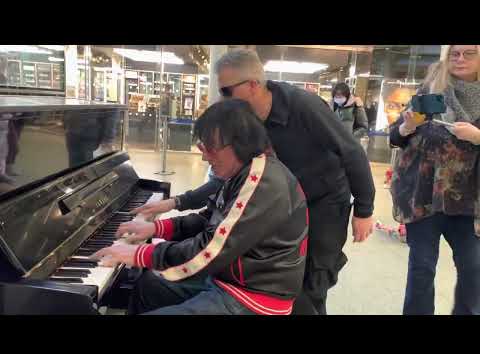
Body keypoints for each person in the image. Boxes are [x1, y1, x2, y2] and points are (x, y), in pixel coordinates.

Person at [132, 49, 376, 315]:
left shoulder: (303, 106)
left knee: (312, 285)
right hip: (280, 205)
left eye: (226, 91)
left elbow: (351, 151)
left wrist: (364, 209)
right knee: (279, 276)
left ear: (252, 85)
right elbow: (225, 180)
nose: (221, 98)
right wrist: (176, 202)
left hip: (323, 204)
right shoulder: (245, 124)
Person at [92, 99, 308, 315]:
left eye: (209, 148)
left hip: (254, 296)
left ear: (238, 143)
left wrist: (141, 253)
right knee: (149, 285)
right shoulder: (243, 171)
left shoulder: (262, 182)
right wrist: (157, 228)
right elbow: (209, 219)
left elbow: (209, 249)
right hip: (228, 278)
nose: (204, 156)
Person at [390, 45, 480, 315]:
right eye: (455, 53)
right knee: (421, 268)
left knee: (474, 269)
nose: (460, 59)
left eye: (469, 53)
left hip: (469, 200)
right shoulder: (430, 88)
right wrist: (408, 126)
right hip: (422, 194)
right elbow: (396, 135)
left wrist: (476, 136)